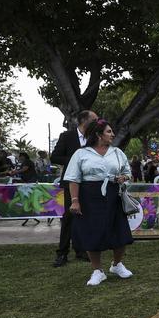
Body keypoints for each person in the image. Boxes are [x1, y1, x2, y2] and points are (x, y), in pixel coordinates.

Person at [62, 118, 134, 286]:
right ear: (98, 134)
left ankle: (117, 264)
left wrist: (124, 177)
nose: (113, 134)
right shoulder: (81, 154)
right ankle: (97, 271)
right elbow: (73, 179)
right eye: (109, 131)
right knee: (92, 232)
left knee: (120, 230)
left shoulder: (117, 152)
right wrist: (75, 201)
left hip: (113, 194)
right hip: (89, 196)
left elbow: (128, 172)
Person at [50, 110, 97, 266]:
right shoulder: (67, 136)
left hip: (89, 182)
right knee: (69, 216)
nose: (98, 122)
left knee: (85, 215)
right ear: (84, 120)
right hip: (71, 181)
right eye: (94, 119)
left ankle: (81, 249)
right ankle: (62, 253)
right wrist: (76, 159)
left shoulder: (94, 137)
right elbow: (55, 157)